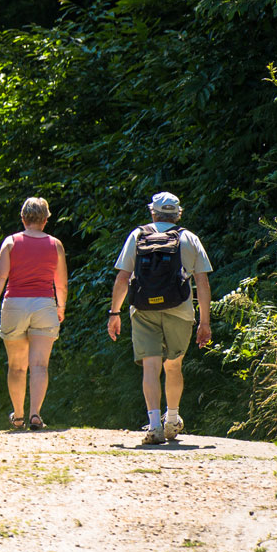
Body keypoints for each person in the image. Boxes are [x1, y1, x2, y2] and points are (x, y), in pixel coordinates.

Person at [107, 191, 213, 445]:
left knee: (151, 366)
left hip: (143, 309)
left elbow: (123, 278)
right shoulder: (189, 238)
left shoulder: (137, 235)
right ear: (177, 214)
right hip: (180, 310)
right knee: (173, 365)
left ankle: (154, 425)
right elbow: (202, 281)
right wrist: (205, 322)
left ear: (152, 212)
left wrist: (114, 313)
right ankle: (172, 421)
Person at [0, 197, 67, 430]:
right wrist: (60, 307)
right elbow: (60, 284)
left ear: (23, 218)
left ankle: (19, 416)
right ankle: (35, 415)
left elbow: (0, 277)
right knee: (40, 365)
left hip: (14, 305)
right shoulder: (56, 245)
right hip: (44, 304)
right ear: (45, 219)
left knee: (16, 366)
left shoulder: (10, 243)